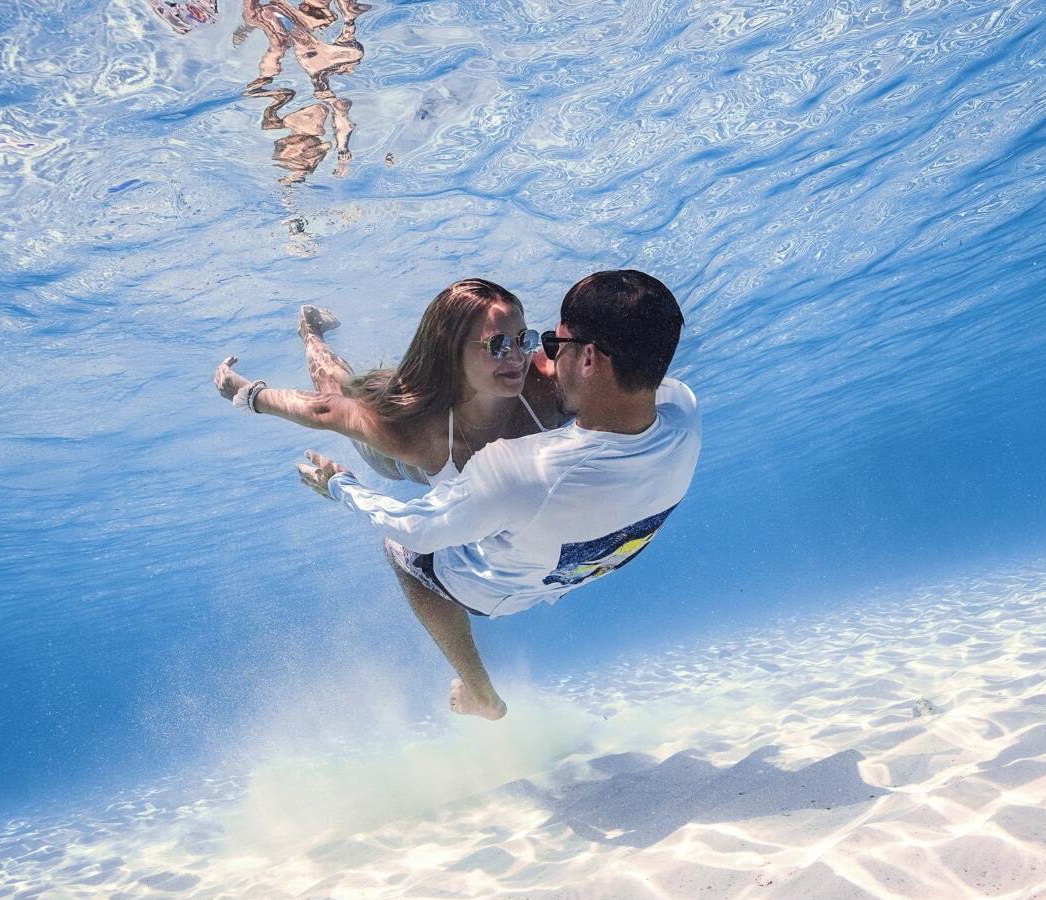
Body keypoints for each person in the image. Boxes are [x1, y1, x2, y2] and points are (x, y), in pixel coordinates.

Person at [297, 270, 702, 720]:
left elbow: (416, 529)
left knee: (399, 547)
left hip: (502, 568)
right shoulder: (679, 411)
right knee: (356, 397)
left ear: (589, 359)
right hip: (535, 542)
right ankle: (311, 337)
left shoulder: (530, 461)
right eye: (540, 343)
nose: (539, 357)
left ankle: (480, 693)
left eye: (553, 345)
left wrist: (340, 486)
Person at [214, 279, 559, 483]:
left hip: (436, 391)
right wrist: (248, 394)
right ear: (451, 352)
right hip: (396, 462)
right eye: (497, 345)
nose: (517, 358)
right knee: (340, 386)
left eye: (524, 339)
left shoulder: (547, 385)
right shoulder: (418, 434)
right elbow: (323, 410)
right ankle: (311, 333)